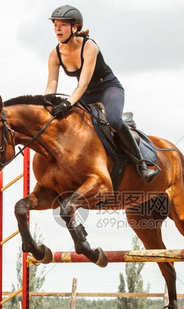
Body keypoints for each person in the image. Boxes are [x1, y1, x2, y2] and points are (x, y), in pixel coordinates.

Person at [44, 5, 159, 183]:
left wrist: (67, 103)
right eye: (55, 25)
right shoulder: (55, 54)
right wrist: (45, 104)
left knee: (113, 120)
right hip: (86, 95)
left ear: (75, 27)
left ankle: (141, 165)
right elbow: (52, 83)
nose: (58, 29)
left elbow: (83, 83)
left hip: (107, 88)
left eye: (63, 25)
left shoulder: (89, 46)